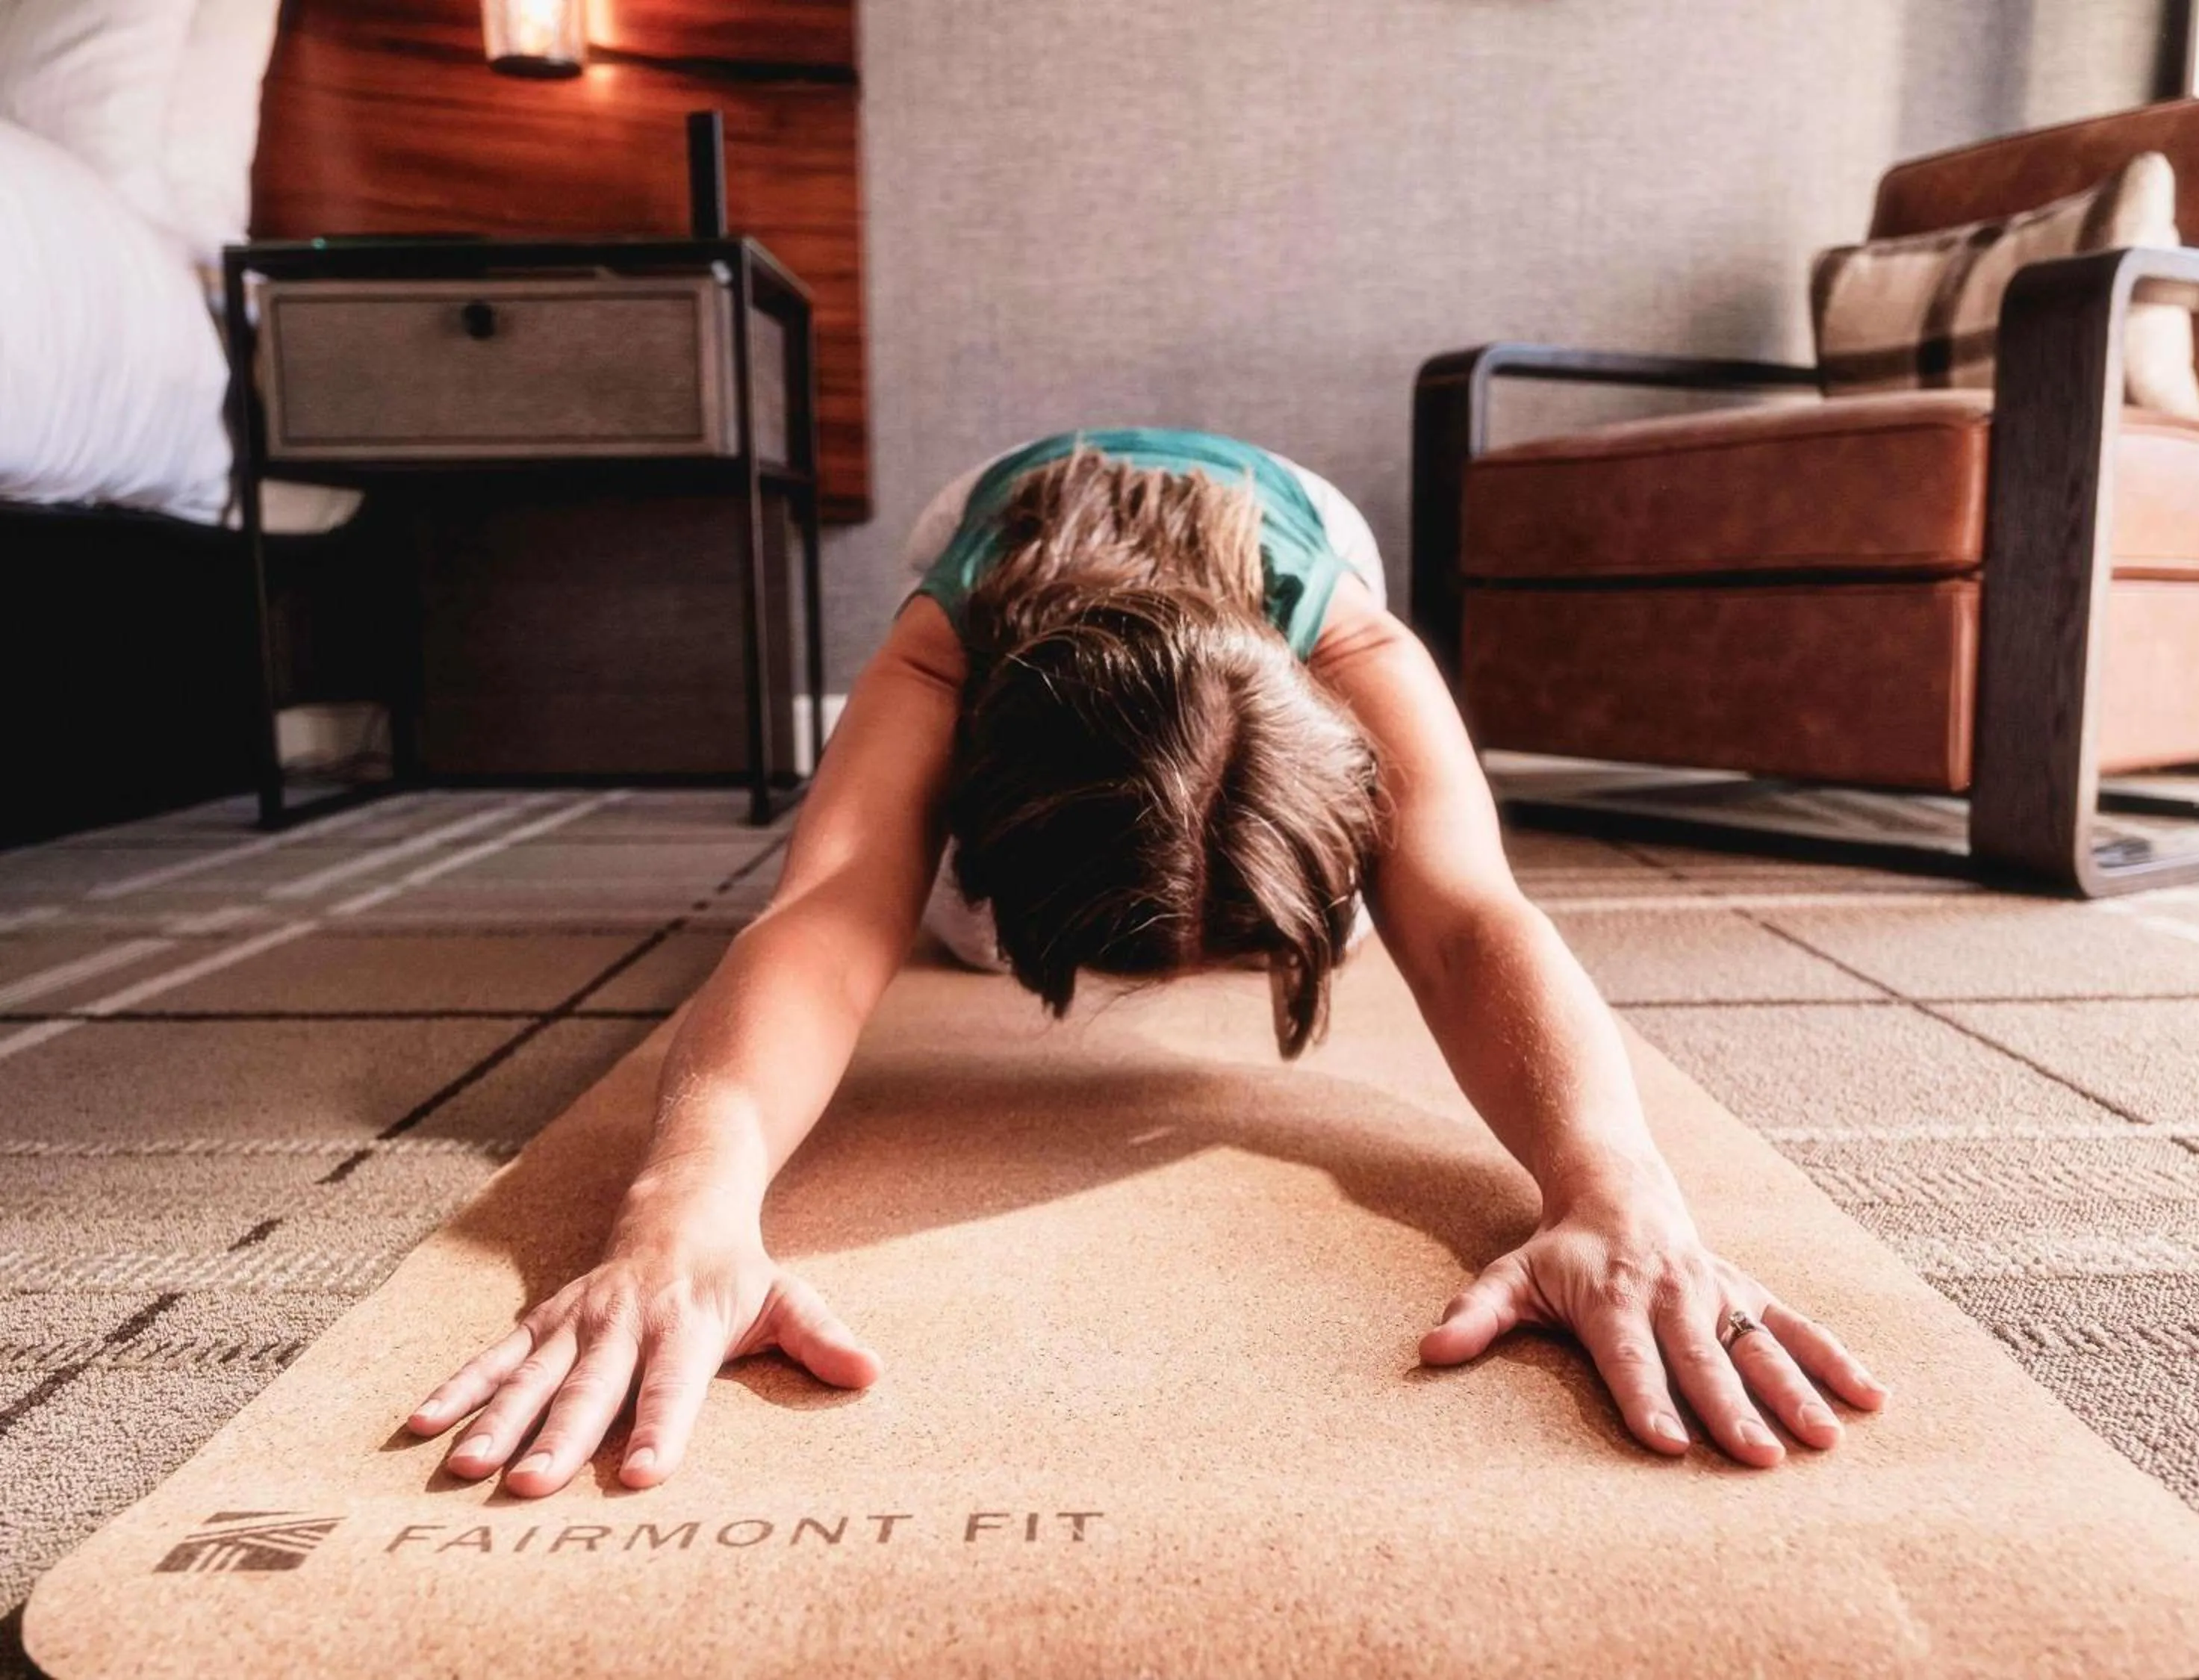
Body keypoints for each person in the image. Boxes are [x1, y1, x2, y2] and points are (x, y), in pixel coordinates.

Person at [405, 429, 1888, 1497]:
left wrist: (1616, 1191)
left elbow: (1474, 916)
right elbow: (826, 917)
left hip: (1286, 524)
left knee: (1379, 910)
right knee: (951, 936)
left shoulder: (1353, 644)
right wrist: (681, 1215)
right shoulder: (946, 639)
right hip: (999, 517)